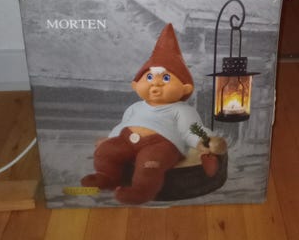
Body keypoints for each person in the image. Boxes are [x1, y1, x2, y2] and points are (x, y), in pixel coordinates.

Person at [81, 23, 226, 204]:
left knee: (150, 163)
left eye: (166, 78)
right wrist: (111, 138)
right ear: (136, 85)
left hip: (161, 144)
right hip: (127, 138)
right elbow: (124, 125)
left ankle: (142, 191)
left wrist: (205, 141)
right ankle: (107, 177)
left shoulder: (181, 110)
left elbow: (191, 129)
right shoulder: (135, 107)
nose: (155, 83)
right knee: (106, 152)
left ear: (185, 88)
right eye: (149, 77)